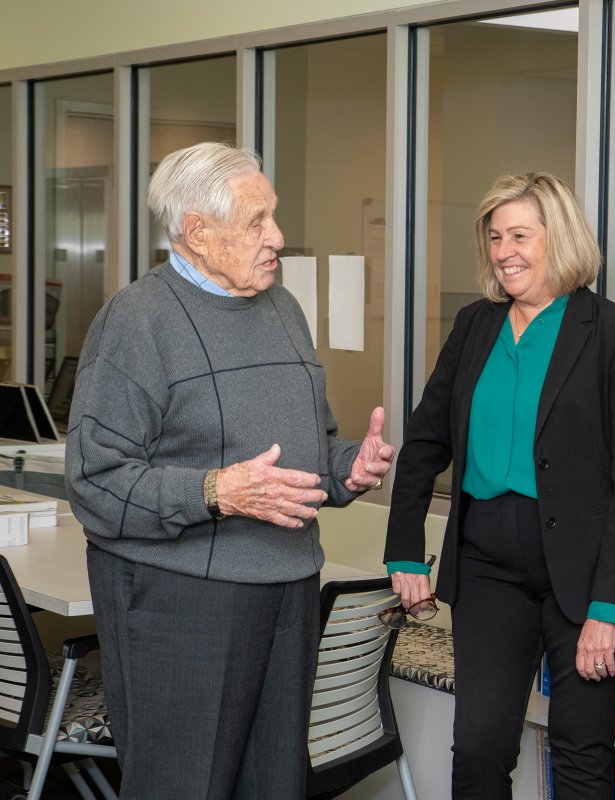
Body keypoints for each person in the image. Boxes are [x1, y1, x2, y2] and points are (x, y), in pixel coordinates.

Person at [65, 142, 395, 799]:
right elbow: (95, 483)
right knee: (183, 786)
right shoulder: (136, 321)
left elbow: (308, 447)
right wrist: (218, 491)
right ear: (197, 232)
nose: (276, 236)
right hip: (181, 600)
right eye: (256, 221)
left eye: (272, 217)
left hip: (290, 587)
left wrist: (347, 467)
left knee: (275, 785)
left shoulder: (283, 310)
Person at [384, 171, 615, 799]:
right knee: (481, 748)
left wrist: (610, 606)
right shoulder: (474, 326)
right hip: (489, 568)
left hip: (589, 575)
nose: (503, 250)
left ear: (559, 237)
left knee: (580, 751)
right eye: (494, 237)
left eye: (520, 234)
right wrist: (405, 545)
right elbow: (425, 441)